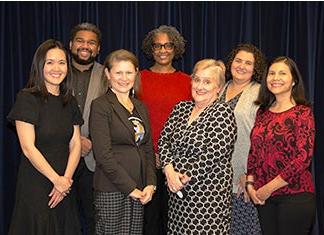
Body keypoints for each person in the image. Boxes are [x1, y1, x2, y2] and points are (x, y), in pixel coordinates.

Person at [7, 39, 83, 234]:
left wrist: (65, 180)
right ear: (40, 66)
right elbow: (27, 148)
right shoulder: (27, 98)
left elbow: (75, 143)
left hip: (65, 184)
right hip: (37, 184)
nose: (56, 68)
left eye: (61, 62)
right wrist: (55, 180)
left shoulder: (70, 101)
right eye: (49, 62)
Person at [159, 59, 237, 234]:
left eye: (207, 82)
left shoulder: (222, 112)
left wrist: (182, 178)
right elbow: (163, 141)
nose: (200, 86)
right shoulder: (181, 108)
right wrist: (169, 172)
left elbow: (213, 154)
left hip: (207, 199)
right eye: (197, 80)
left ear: (218, 87)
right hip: (177, 196)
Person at [89, 49, 156, 234]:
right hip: (112, 188)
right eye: (118, 72)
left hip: (140, 188)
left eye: (128, 72)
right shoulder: (101, 105)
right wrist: (130, 188)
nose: (124, 78)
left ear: (136, 73)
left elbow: (148, 148)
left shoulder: (140, 106)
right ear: (108, 74)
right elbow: (103, 155)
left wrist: (151, 183)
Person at [246, 56, 316, 235]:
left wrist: (268, 189)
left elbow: (303, 158)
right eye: (271, 73)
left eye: (282, 73)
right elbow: (254, 152)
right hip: (264, 198)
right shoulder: (262, 112)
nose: (275, 77)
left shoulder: (303, 112)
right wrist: (250, 185)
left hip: (294, 196)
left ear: (294, 81)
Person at [138, 25, 192, 235]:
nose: (162, 50)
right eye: (157, 46)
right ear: (150, 49)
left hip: (178, 163)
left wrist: (169, 157)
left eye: (168, 45)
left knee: (175, 218)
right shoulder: (138, 79)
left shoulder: (188, 82)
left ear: (175, 48)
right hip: (145, 160)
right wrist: (153, 155)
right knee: (149, 220)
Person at [218, 43, 266, 234]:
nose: (242, 66)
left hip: (242, 178)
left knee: (243, 229)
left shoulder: (260, 93)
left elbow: (261, 140)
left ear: (255, 68)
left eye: (248, 63)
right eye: (238, 60)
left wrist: (250, 175)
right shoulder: (219, 88)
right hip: (216, 177)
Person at [69, 22, 106, 235]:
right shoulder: (56, 70)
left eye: (91, 42)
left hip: (95, 159)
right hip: (60, 157)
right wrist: (73, 140)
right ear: (71, 44)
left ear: (98, 48)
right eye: (81, 41)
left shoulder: (107, 75)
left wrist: (91, 139)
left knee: (95, 219)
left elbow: (115, 115)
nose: (86, 46)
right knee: (63, 217)